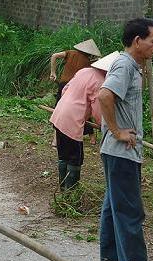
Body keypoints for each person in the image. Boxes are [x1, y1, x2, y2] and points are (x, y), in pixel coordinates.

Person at [97, 18, 153, 261]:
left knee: (114, 206)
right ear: (137, 41)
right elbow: (104, 96)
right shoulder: (123, 65)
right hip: (121, 149)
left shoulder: (133, 66)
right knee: (130, 211)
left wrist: (143, 67)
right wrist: (117, 130)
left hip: (118, 152)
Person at [49, 52, 119, 190]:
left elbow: (65, 90)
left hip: (60, 112)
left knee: (63, 155)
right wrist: (103, 124)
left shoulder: (84, 71)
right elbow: (98, 109)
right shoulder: (100, 82)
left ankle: (63, 189)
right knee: (75, 158)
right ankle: (71, 192)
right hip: (72, 120)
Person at [50, 39, 102, 145]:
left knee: (59, 111)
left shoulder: (70, 53)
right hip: (76, 87)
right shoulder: (88, 63)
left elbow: (54, 55)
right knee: (83, 112)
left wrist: (53, 72)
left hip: (65, 86)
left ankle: (55, 139)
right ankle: (92, 138)